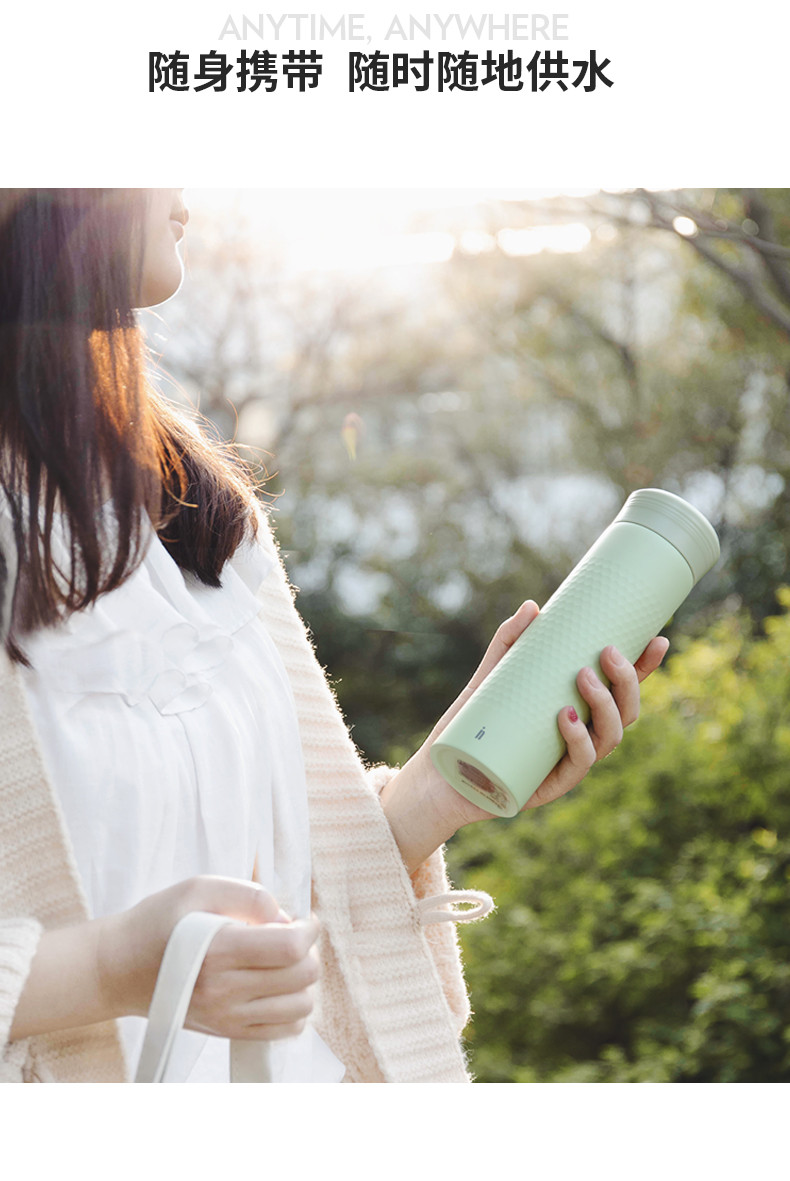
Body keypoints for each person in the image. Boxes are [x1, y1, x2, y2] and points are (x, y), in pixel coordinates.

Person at [0, 189, 668, 1084]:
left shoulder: (192, 505)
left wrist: (439, 787)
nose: (185, 192)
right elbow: (153, 946)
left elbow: (275, 895)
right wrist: (114, 965)